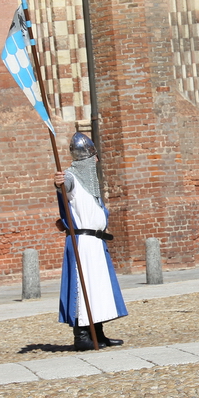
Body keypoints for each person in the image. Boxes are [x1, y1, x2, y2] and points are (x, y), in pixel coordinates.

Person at [55, 132, 127, 350]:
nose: (96, 160)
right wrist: (59, 181)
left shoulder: (92, 184)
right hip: (83, 243)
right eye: (93, 156)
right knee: (82, 286)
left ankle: (99, 332)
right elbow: (64, 185)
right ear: (86, 158)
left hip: (96, 242)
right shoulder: (72, 177)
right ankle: (82, 336)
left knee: (98, 288)